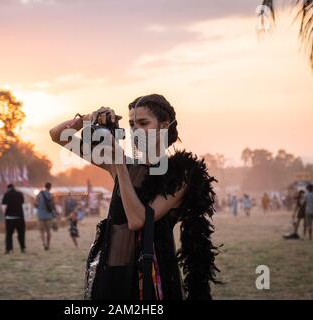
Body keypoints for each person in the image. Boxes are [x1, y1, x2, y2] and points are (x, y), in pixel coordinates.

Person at [49, 94, 219, 300]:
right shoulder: (124, 165)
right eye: (131, 124)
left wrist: (119, 166)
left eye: (143, 123)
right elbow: (58, 135)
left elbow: (138, 220)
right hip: (112, 275)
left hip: (153, 280)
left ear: (164, 126)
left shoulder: (181, 174)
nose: (136, 131)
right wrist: (87, 119)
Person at [2, 184, 26, 254]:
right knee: (21, 234)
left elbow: (4, 204)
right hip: (19, 217)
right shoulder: (19, 194)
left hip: (9, 217)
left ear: (8, 188)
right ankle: (22, 248)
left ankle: (8, 249)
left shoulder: (6, 194)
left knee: (9, 234)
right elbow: (22, 202)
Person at [35, 182, 55, 251]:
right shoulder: (51, 195)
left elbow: (35, 203)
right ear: (50, 187)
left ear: (45, 186)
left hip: (40, 215)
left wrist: (39, 207)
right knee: (48, 231)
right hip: (48, 215)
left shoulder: (39, 194)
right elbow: (53, 205)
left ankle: (44, 244)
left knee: (41, 231)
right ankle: (48, 244)